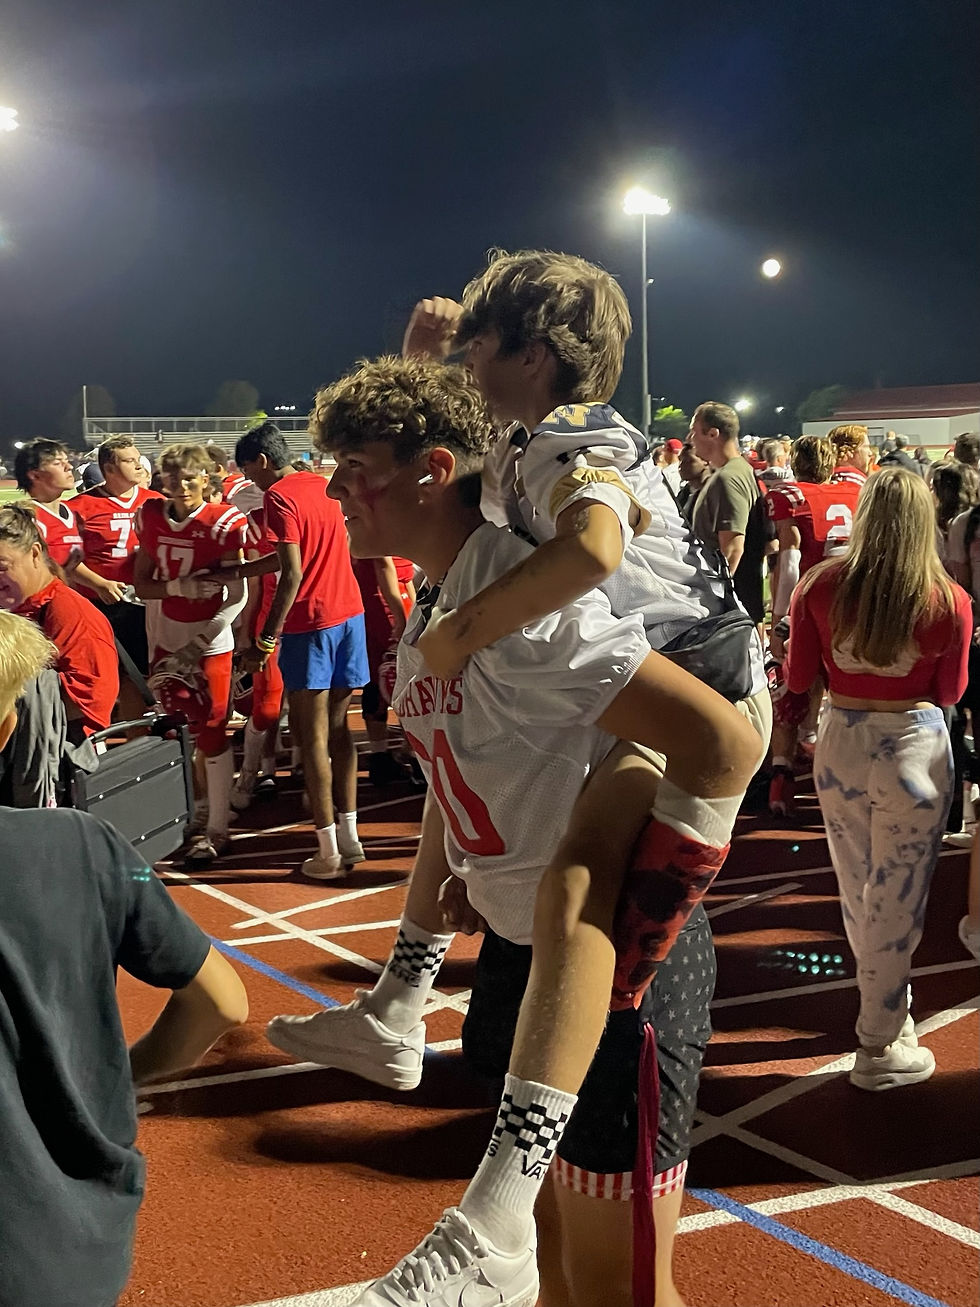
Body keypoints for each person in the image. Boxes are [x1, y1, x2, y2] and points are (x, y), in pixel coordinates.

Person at [269, 356, 763, 1307]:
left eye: (354, 464)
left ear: (432, 468)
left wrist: (629, 903)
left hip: (612, 979)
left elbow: (720, 742)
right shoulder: (442, 595)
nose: (333, 488)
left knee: (618, 1284)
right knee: (539, 1275)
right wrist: (474, 858)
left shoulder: (519, 610)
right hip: (512, 955)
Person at [0, 607, 248, 1307]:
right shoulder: (89, 846)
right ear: (10, 729)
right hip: (63, 1249)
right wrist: (116, 1079)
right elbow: (222, 999)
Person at [785, 468, 972, 1090]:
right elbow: (950, 691)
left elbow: (798, 677)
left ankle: (885, 1015)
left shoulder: (820, 585)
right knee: (897, 897)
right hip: (914, 747)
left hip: (842, 743)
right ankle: (880, 1037)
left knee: (857, 886)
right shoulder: (949, 600)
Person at [230, 421, 369, 879]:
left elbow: (291, 573)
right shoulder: (322, 484)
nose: (251, 480)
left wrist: (265, 640)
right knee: (340, 732)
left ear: (262, 462)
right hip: (349, 615)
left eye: (250, 471)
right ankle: (350, 840)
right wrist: (246, 568)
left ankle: (327, 852)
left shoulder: (278, 497)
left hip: (309, 625)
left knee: (311, 743)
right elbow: (305, 553)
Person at [133, 443, 247, 867]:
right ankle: (198, 806)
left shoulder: (223, 523)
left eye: (189, 477)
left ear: (206, 478)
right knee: (179, 727)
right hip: (166, 635)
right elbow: (143, 583)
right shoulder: (149, 516)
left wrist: (199, 644)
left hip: (210, 641)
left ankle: (218, 826)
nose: (180, 485)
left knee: (214, 728)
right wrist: (178, 588)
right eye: (172, 476)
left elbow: (238, 593)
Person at [765, 436, 861, 815]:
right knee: (846, 689)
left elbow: (789, 558)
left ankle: (780, 781)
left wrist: (780, 617)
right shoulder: (854, 492)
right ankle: (841, 777)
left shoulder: (791, 495)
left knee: (794, 684)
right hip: (853, 604)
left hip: (810, 600)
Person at [0, 504, 119, 738]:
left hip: (59, 758)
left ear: (35, 553)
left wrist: (12, 701)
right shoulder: (17, 605)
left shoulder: (72, 614)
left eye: (2, 567)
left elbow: (93, 702)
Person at [71, 437, 164, 722]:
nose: (139, 464)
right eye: (129, 460)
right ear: (109, 468)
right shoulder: (81, 506)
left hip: (147, 603)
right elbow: (65, 558)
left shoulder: (156, 502)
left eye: (138, 458)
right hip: (102, 605)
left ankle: (145, 742)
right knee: (103, 677)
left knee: (147, 677)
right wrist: (99, 583)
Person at [689, 401, 770, 629]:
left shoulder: (728, 478)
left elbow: (733, 547)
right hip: (742, 602)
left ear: (713, 434)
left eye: (694, 432)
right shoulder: (739, 470)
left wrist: (717, 602)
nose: (690, 438)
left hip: (729, 609)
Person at [351, 553, 416, 787]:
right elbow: (384, 561)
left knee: (376, 680)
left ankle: (380, 754)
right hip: (389, 599)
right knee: (406, 681)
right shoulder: (388, 517)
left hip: (373, 599)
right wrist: (402, 615)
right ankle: (413, 753)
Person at [12, 438, 87, 573]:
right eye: (58, 463)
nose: (69, 467)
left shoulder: (71, 511)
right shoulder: (26, 519)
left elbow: (70, 566)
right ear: (35, 475)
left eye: (67, 461)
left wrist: (102, 585)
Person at [675, 438, 711, 526]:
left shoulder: (713, 493)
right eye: (680, 460)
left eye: (688, 461)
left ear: (705, 461)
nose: (681, 466)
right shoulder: (685, 492)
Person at [828, 423, 873, 487]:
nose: (870, 453)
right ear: (848, 452)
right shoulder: (858, 486)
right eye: (866, 447)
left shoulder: (826, 482)